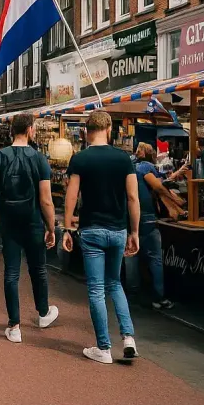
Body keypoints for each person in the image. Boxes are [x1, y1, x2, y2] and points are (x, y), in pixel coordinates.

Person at [62, 110, 140, 364]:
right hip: (118, 229)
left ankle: (103, 348)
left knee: (96, 289)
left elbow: (72, 195)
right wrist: (135, 231)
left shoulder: (81, 159)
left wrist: (67, 227)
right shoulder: (124, 159)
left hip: (92, 229)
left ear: (86, 131)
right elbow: (132, 198)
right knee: (115, 284)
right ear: (109, 129)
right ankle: (128, 338)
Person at [0, 113, 59, 344]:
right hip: (33, 220)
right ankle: (43, 313)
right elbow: (46, 199)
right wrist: (51, 227)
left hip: (9, 221)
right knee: (38, 269)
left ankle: (14, 326)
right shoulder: (39, 159)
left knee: (11, 273)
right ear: (29, 129)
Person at [128, 142, 182, 309]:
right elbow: (158, 186)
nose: (137, 152)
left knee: (131, 255)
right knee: (155, 259)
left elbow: (163, 181)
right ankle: (158, 297)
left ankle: (132, 297)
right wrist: (176, 202)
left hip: (129, 216)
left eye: (139, 149)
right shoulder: (145, 167)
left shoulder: (130, 165)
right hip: (147, 217)